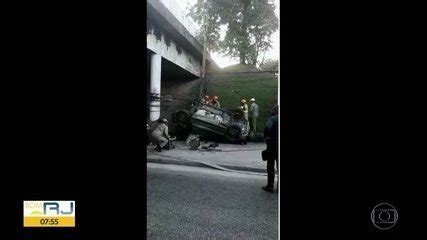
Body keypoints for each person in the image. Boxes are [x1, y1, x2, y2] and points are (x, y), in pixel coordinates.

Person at [262, 105, 278, 193]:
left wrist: (266, 138)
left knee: (270, 165)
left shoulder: (272, 119)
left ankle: (270, 185)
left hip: (272, 144)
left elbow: (267, 128)